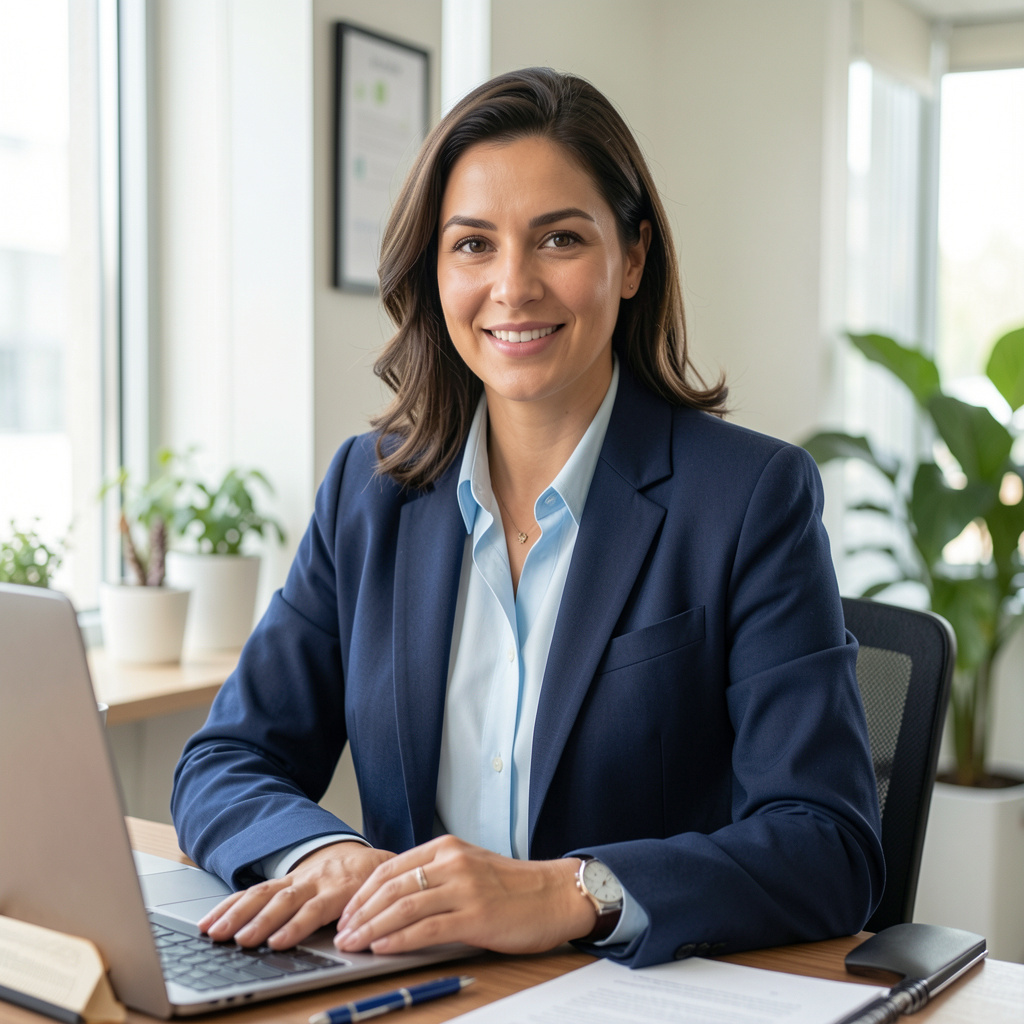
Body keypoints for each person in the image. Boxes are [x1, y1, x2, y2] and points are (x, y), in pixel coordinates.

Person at [171, 67, 884, 969]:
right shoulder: (370, 489)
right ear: (434, 271)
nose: (512, 286)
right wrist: (330, 856)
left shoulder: (750, 499)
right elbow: (225, 760)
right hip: (419, 987)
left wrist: (566, 892)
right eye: (473, 245)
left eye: (558, 239)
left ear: (631, 259)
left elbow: (829, 844)